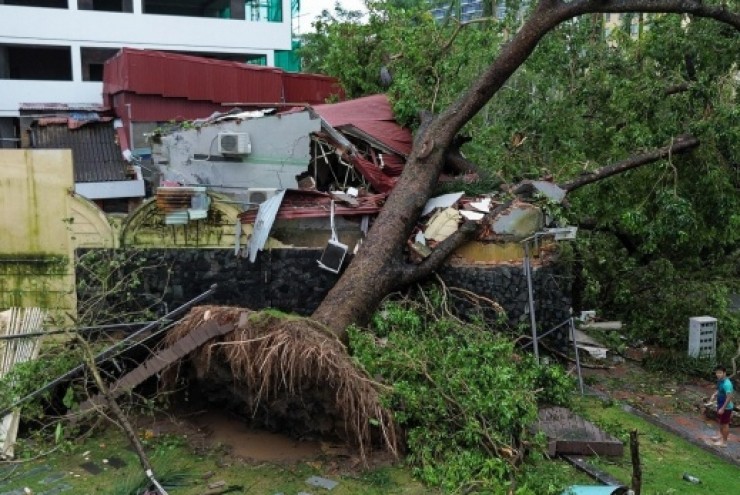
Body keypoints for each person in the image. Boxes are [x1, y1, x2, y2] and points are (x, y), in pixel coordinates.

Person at [709, 365, 734, 447]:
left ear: (724, 373)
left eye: (720, 373)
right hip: (720, 404)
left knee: (725, 424)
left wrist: (723, 408)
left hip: (726, 407)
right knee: (721, 422)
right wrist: (714, 395)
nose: (718, 374)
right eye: (717, 373)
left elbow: (729, 397)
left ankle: (724, 442)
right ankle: (720, 435)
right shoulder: (720, 381)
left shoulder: (727, 384)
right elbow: (719, 390)